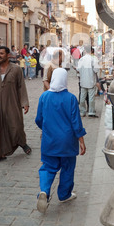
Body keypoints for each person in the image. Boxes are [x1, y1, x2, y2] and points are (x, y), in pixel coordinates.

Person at [35, 68, 86, 213]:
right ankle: (64, 194)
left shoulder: (44, 97)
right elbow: (76, 123)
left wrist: (46, 130)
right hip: (67, 142)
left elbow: (39, 119)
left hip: (49, 140)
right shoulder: (70, 98)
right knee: (68, 168)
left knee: (47, 167)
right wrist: (81, 141)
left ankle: (44, 191)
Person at [0, 46, 31, 163]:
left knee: (16, 126)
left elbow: (21, 87)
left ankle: (22, 143)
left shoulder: (16, 69)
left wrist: (24, 102)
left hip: (12, 102)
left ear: (8, 55)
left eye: (1, 53)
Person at [77, 44, 99, 118]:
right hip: (91, 81)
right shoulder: (93, 59)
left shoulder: (81, 59)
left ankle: (82, 112)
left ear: (85, 50)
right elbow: (96, 70)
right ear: (91, 50)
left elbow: (78, 69)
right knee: (91, 98)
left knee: (82, 98)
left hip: (83, 81)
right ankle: (91, 112)